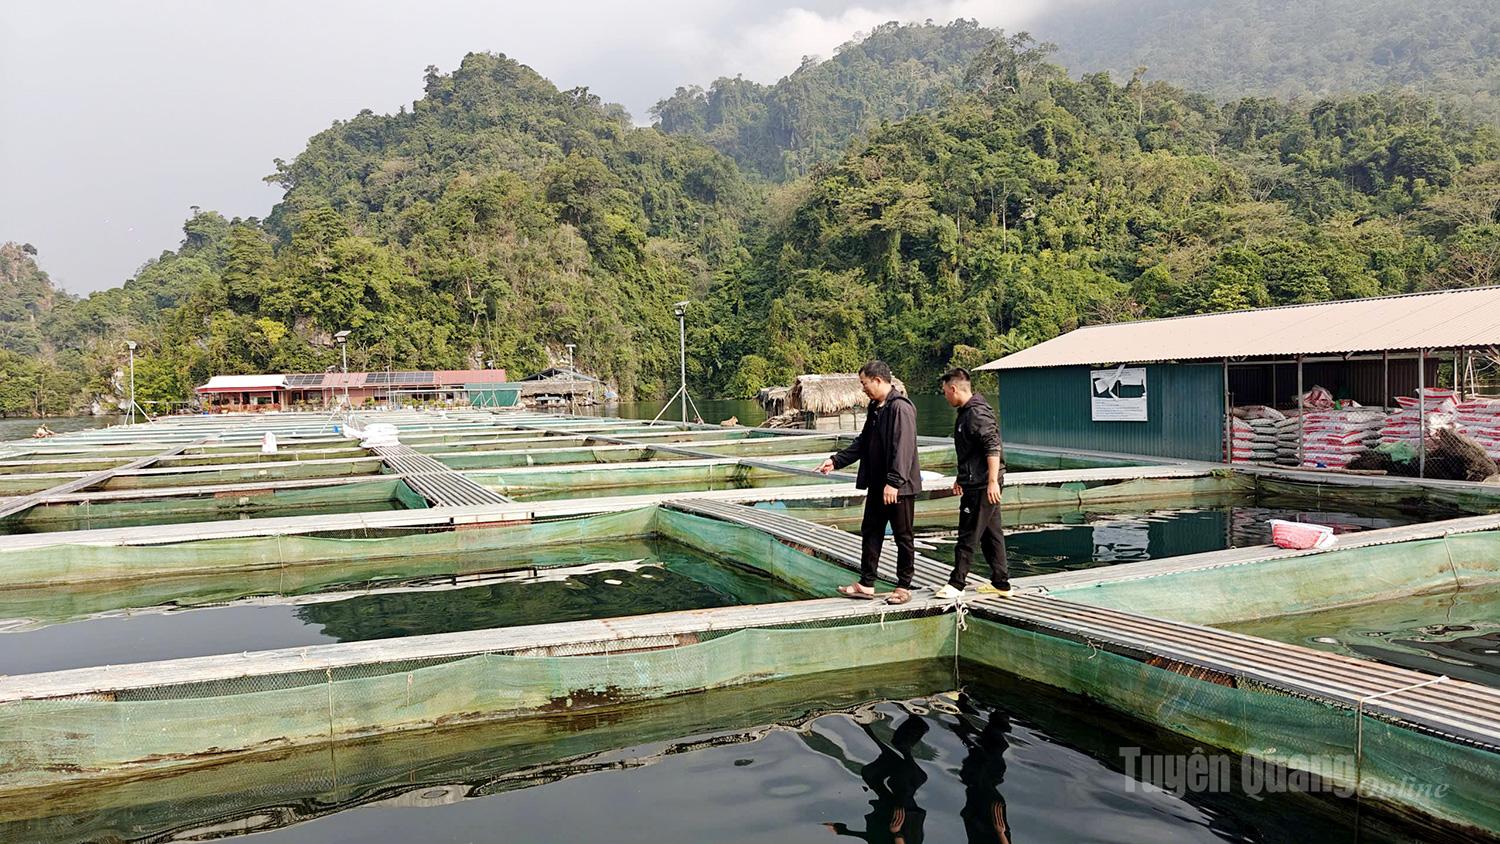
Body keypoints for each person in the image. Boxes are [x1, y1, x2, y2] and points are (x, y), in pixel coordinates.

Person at [817, 361, 922, 605]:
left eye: (864, 383)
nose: (863, 388)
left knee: (902, 536)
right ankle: (866, 583)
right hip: (877, 485)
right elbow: (863, 442)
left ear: (877, 380)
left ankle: (904, 586)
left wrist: (894, 482)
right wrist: (835, 460)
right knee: (871, 532)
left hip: (899, 488)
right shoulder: (876, 407)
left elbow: (903, 449)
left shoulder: (900, 408)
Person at [934, 368, 1011, 600]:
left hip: (982, 485)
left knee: (967, 534)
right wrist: (961, 477)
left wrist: (991, 482)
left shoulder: (976, 413)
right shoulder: (967, 412)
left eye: (945, 391)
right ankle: (1001, 583)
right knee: (991, 534)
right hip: (976, 481)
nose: (945, 396)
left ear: (954, 388)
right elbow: (972, 452)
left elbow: (992, 446)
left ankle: (956, 583)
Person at [825, 715, 930, 844]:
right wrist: (897, 833)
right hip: (903, 815)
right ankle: (868, 723)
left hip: (888, 812)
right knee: (897, 778)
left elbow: (872, 838)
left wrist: (842, 831)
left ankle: (865, 723)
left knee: (870, 774)